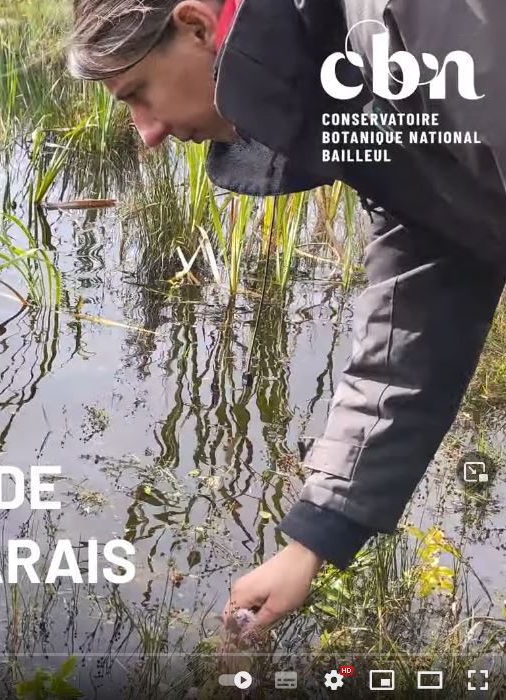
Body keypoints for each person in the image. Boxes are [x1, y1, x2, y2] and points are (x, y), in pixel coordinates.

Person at [66, 0, 506, 638]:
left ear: (195, 26)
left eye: (139, 93)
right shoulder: (342, 77)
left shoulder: (407, 16)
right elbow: (419, 293)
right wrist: (314, 540)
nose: (146, 131)